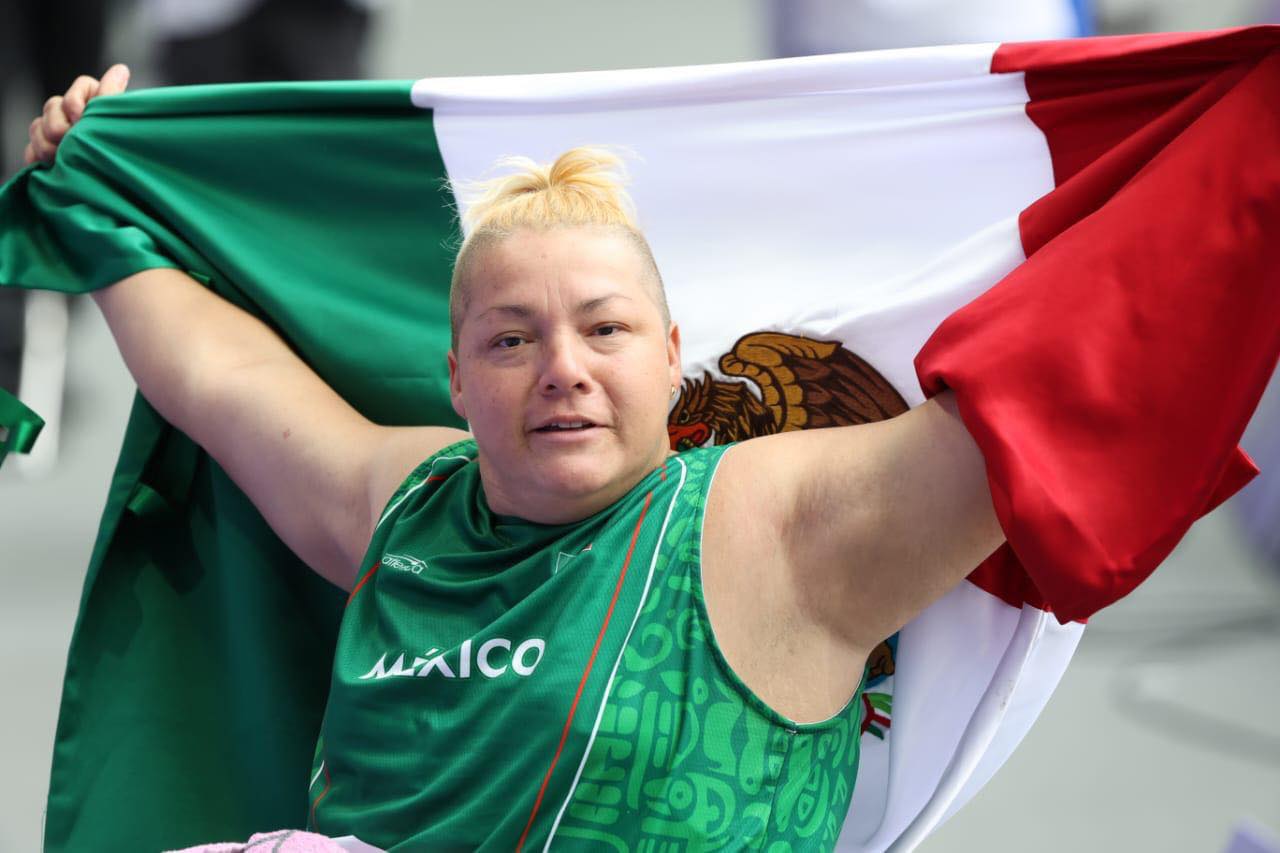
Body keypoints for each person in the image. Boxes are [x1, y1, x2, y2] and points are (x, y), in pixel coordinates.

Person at [28, 69, 1003, 849]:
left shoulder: (774, 528)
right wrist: (98, 180)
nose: (562, 369)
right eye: (511, 339)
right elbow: (216, 375)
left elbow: (1026, 415)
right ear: (456, 378)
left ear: (672, 358)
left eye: (605, 328)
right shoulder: (407, 506)